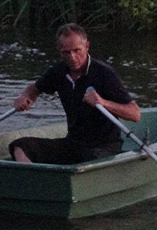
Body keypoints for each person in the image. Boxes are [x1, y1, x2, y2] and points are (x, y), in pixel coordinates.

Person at [9, 23, 140, 164]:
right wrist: (25, 98)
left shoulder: (104, 73)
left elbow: (134, 114)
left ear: (87, 47)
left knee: (90, 159)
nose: (72, 57)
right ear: (59, 51)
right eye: (66, 52)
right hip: (74, 143)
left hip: (104, 146)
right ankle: (34, 182)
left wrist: (103, 103)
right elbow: (34, 89)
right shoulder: (58, 71)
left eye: (77, 50)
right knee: (20, 146)